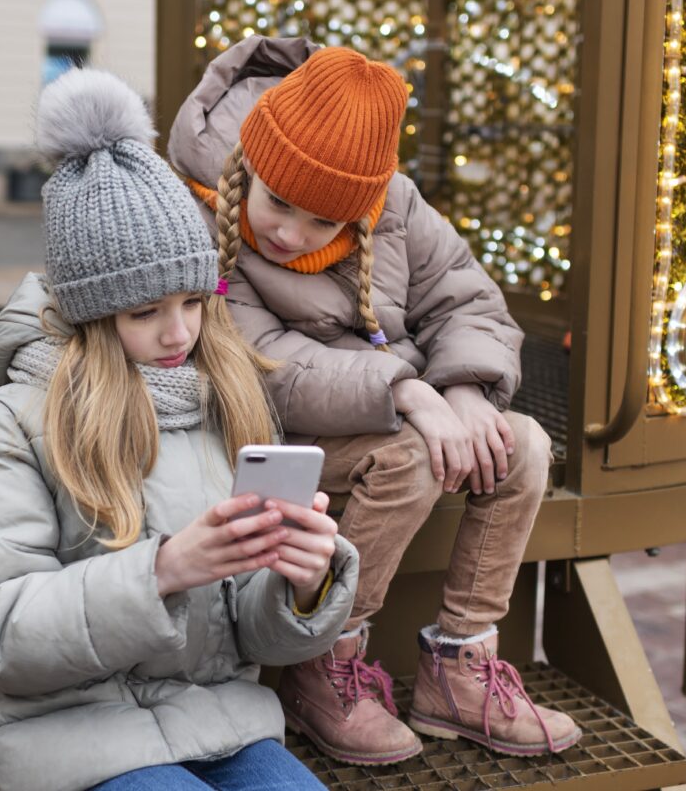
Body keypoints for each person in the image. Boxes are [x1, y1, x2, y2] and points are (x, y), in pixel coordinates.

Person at [0, 69, 360, 791]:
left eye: (195, 301)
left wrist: (304, 584)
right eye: (144, 312)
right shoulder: (6, 424)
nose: (180, 332)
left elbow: (247, 637)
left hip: (216, 717)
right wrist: (161, 572)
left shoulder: (224, 400)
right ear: (92, 313)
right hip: (60, 734)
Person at [167, 37, 580, 764]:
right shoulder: (202, 214)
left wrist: (466, 387)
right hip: (269, 428)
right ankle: (322, 658)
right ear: (251, 167)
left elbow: (467, 296)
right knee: (410, 461)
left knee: (525, 449)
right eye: (279, 203)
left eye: (323, 223)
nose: (291, 235)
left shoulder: (394, 205)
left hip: (393, 406)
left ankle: (460, 665)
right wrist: (408, 390)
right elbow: (262, 364)